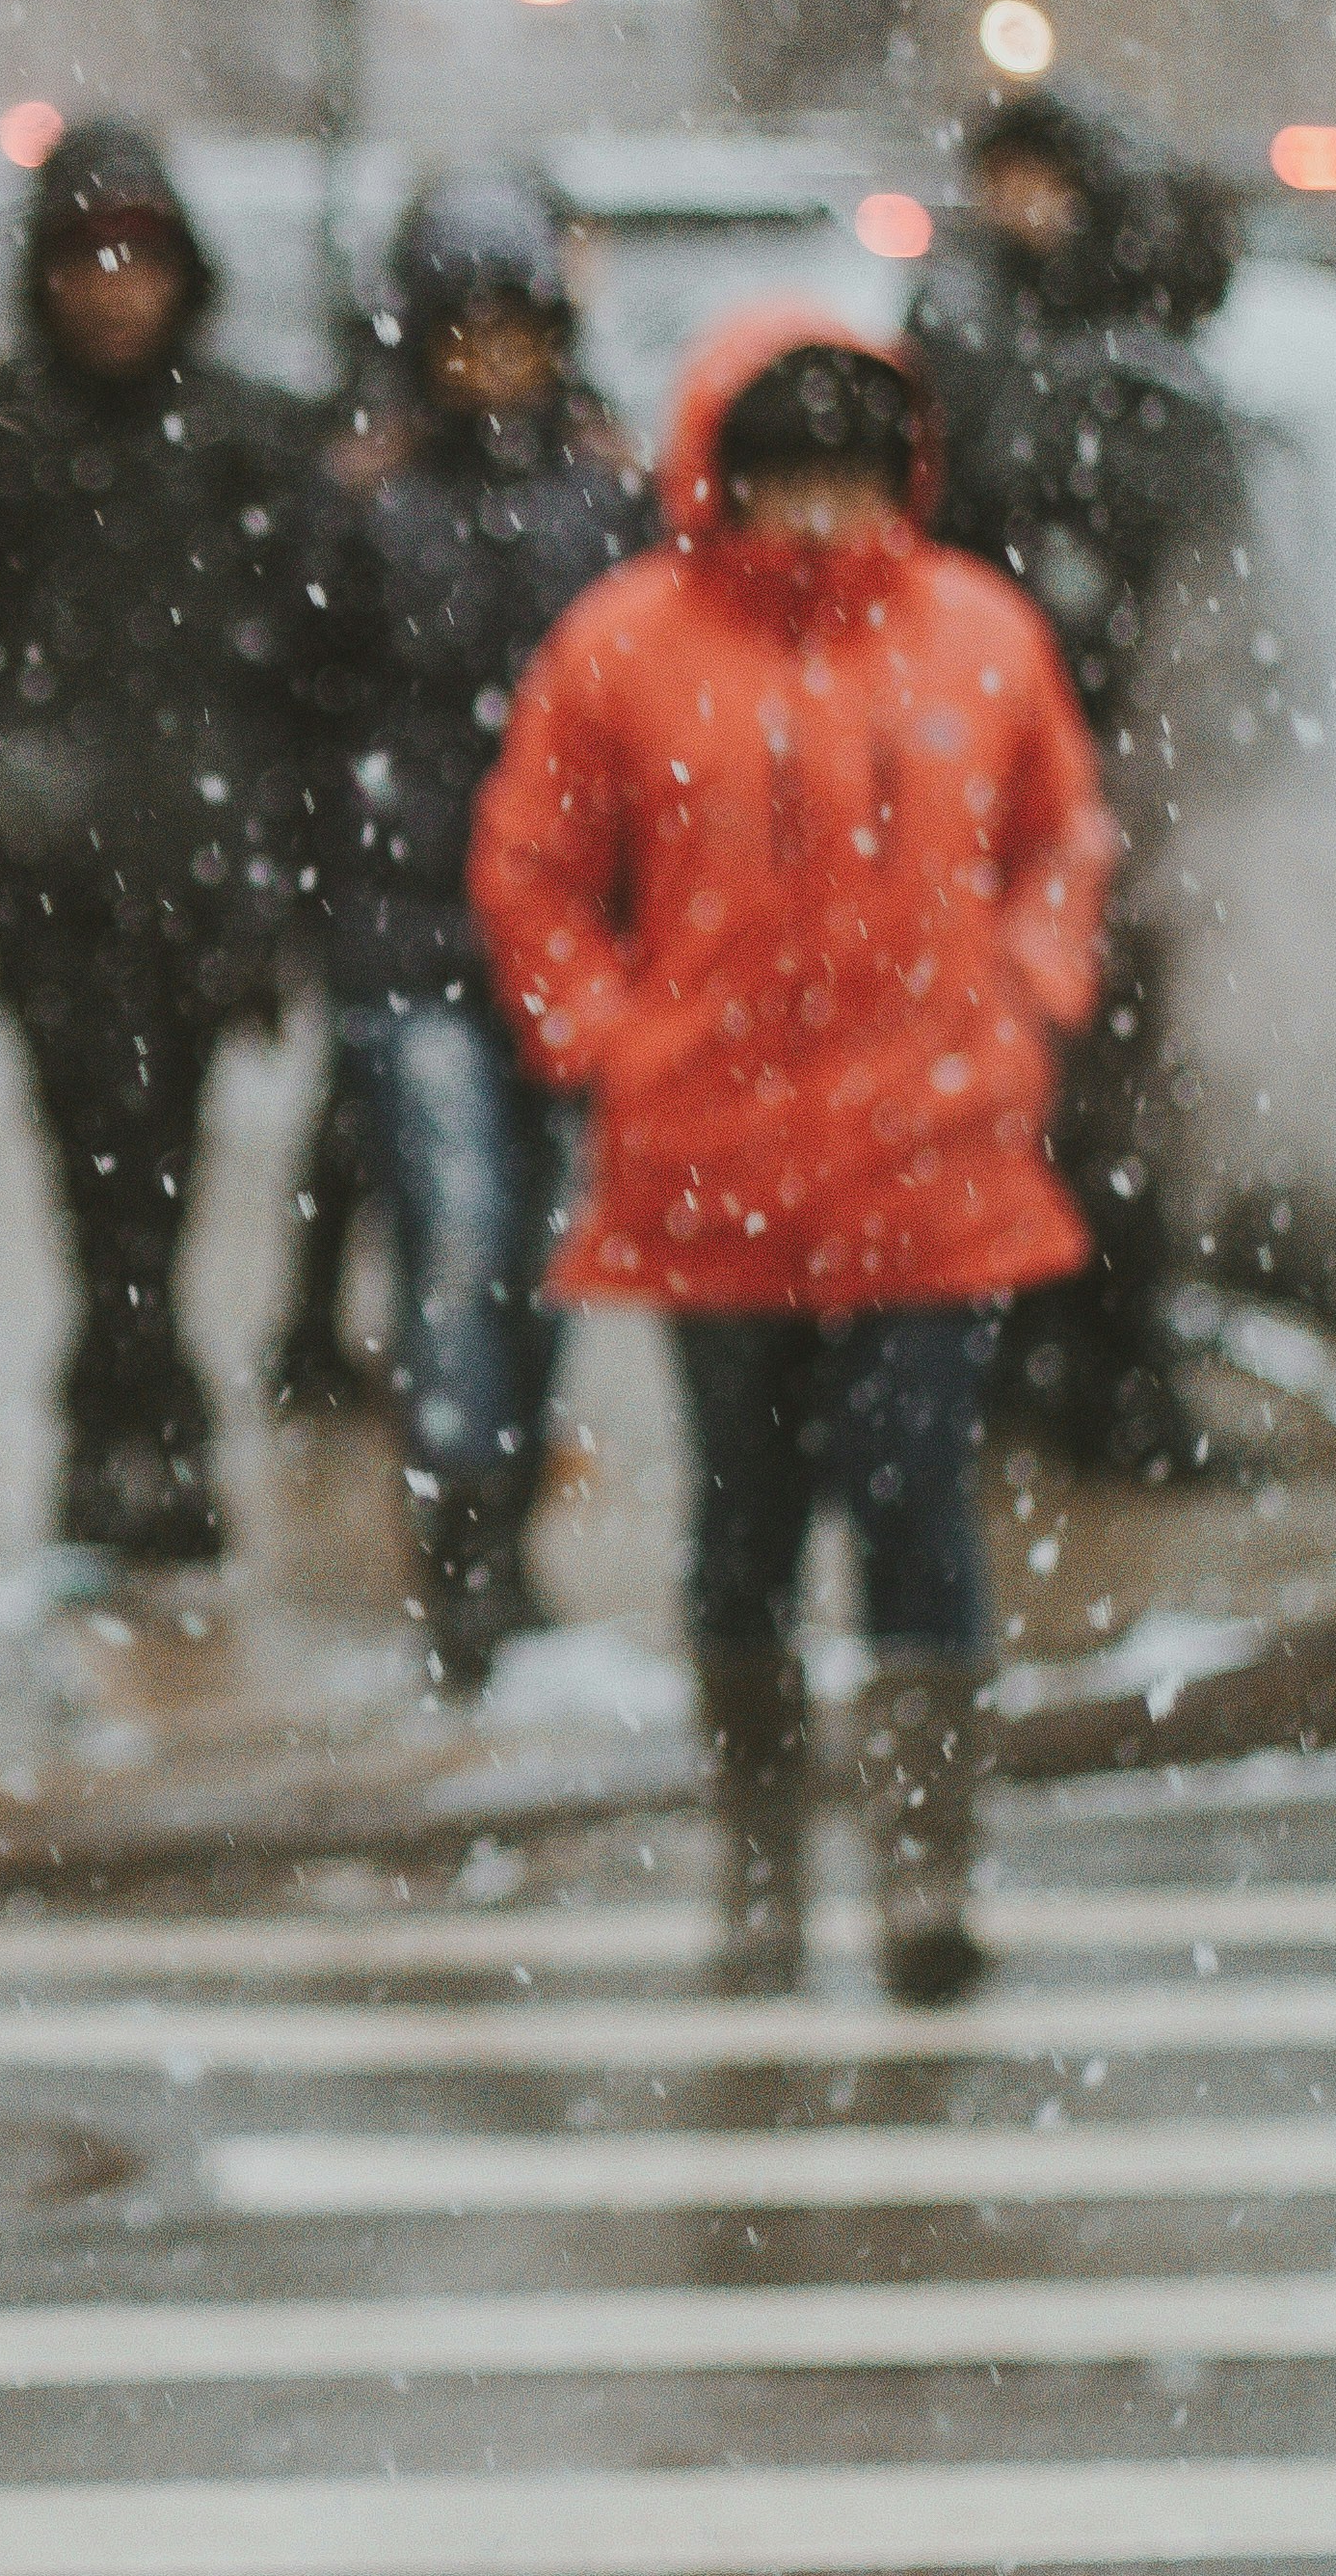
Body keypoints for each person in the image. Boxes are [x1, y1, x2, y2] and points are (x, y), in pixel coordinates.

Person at [473, 306, 1114, 2008]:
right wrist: (607, 1042)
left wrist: (1028, 993)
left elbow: (1061, 835)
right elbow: (533, 864)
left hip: (936, 1162)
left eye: (844, 481)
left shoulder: (982, 634)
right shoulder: (625, 648)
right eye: (782, 485)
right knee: (746, 1525)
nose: (815, 521)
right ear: (720, 482)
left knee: (916, 1504)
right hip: (719, 1170)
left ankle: (924, 1877)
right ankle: (760, 1877)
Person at [0, 120, 314, 1565]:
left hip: (201, 882)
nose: (116, 290)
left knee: (164, 1166)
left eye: (141, 256)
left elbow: (304, 668)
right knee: (99, 1165)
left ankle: (133, 1424)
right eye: (88, 257)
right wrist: (0, 793)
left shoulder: (252, 435)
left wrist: (266, 857)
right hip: (54, 892)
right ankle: (140, 1429)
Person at [276, 166, 655, 1693]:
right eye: (463, 333)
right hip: (407, 928)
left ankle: (497, 1512)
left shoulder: (608, 497)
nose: (490, 364)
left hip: (558, 942)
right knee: (456, 1237)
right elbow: (300, 703)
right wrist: (315, 893)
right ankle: (466, 1546)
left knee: (540, 1248)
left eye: (515, 333)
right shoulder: (365, 499)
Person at [899, 82, 1255, 1482]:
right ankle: (1039, 1359)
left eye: (1044, 184)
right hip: (993, 786)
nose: (1016, 214)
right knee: (1017, 1088)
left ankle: (1110, 1369)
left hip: (1114, 787)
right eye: (1003, 184)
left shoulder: (1140, 368)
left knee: (1114, 1100)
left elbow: (1182, 563)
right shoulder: (968, 332)